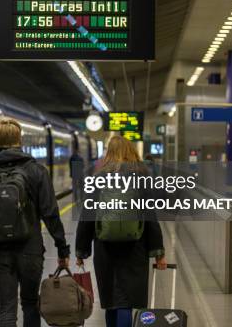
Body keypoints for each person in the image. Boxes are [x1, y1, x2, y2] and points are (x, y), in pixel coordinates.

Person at [0, 118, 70, 327]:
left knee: (6, 308)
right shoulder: (36, 170)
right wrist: (62, 249)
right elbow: (50, 213)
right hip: (30, 249)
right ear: (19, 139)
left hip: (0, 251)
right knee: (30, 303)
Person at [76, 135, 167, 327]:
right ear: (130, 151)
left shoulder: (98, 178)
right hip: (135, 246)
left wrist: (81, 250)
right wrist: (158, 252)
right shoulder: (141, 176)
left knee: (111, 301)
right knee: (126, 300)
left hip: (104, 246)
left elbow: (87, 215)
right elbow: (150, 215)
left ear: (109, 153)